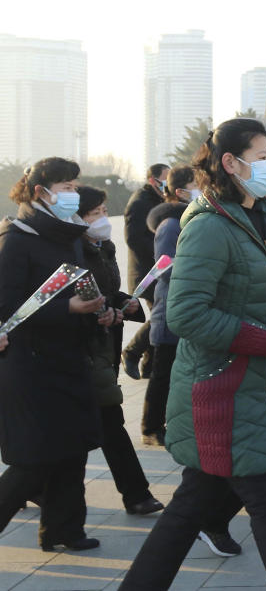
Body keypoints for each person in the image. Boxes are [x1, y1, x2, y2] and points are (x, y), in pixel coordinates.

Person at [118, 118, 266, 591]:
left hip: (246, 385)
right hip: (221, 388)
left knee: (192, 505)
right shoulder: (209, 226)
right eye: (262, 158)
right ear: (230, 163)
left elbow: (257, 291)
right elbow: (185, 313)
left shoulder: (260, 215)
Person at [0, 157, 105, 552]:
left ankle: (63, 530)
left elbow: (80, 286)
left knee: (71, 449)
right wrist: (67, 309)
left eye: (75, 186)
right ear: (40, 191)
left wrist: (100, 309)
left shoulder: (69, 235)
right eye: (65, 187)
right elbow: (6, 308)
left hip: (67, 356)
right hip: (29, 363)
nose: (73, 194)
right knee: (34, 459)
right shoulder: (16, 237)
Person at [77, 186, 164, 517]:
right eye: (94, 213)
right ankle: (136, 493)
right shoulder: (71, 253)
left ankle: (40, 487)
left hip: (105, 344)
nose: (102, 219)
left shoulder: (104, 247)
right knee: (109, 419)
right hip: (85, 350)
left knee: (101, 420)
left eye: (102, 211)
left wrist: (122, 303)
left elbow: (106, 291)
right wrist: (102, 313)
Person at [139, 165, 195, 448]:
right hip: (171, 309)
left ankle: (173, 423)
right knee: (163, 373)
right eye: (197, 185)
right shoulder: (171, 224)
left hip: (187, 308)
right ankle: (150, 427)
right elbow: (166, 266)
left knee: (178, 372)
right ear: (181, 191)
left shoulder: (189, 219)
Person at [121, 162, 171, 379]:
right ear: (153, 180)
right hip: (148, 273)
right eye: (165, 179)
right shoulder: (140, 202)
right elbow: (133, 238)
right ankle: (131, 351)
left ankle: (149, 366)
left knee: (160, 314)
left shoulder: (159, 199)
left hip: (159, 269)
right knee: (163, 314)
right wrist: (158, 256)